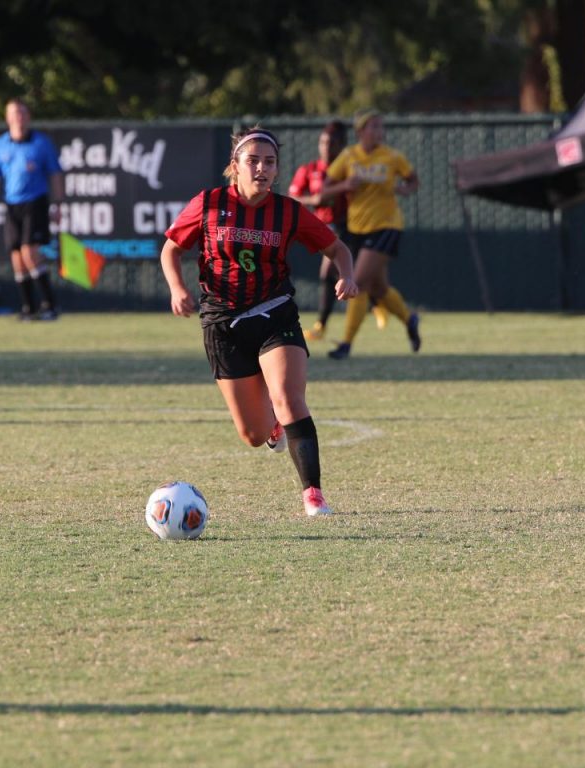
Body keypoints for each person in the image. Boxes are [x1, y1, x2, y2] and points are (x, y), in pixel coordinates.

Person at [161, 126, 358, 517]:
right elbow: (171, 249)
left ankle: (313, 494)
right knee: (252, 435)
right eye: (253, 161)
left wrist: (347, 275)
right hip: (222, 321)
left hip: (274, 311)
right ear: (234, 166)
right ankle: (272, 427)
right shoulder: (210, 203)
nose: (262, 169)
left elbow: (337, 248)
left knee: (289, 399)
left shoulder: (287, 211)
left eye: (270, 162)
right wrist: (177, 288)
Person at [319, 110, 421, 359]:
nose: (378, 131)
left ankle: (345, 344)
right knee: (379, 288)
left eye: (380, 127)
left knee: (360, 281)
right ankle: (409, 319)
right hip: (356, 228)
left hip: (386, 225)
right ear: (360, 131)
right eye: (373, 126)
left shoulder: (392, 156)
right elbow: (324, 190)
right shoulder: (349, 156)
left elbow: (413, 180)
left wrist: (405, 189)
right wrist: (345, 185)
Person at [0, 99, 65, 321]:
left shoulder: (41, 143)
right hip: (11, 203)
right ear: (7, 118)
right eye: (14, 113)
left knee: (29, 252)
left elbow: (55, 174)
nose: (19, 117)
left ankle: (49, 305)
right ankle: (28, 308)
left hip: (35, 202)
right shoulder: (0, 144)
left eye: (22, 113)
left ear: (29, 116)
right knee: (16, 256)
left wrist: (59, 204)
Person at [288, 120, 350, 340]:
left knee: (328, 272)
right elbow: (293, 196)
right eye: (323, 142)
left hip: (345, 227)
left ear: (341, 145)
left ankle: (320, 325)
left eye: (332, 142)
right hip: (318, 228)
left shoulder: (347, 169)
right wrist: (314, 199)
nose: (326, 147)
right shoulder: (309, 169)